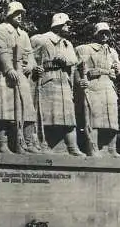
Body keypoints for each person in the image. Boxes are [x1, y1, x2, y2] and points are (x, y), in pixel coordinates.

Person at [0, 1, 43, 153]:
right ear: (9, 14)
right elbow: (1, 50)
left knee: (28, 108)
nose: (20, 17)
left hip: (21, 74)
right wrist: (9, 68)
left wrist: (30, 65)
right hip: (3, 73)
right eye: (17, 13)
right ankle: (2, 143)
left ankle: (28, 142)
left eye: (21, 14)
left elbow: (30, 54)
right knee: (4, 110)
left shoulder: (24, 34)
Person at [31, 13, 85, 156]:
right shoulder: (41, 39)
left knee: (68, 115)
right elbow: (30, 58)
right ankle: (44, 143)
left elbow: (74, 60)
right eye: (66, 24)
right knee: (47, 114)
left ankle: (72, 146)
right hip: (48, 79)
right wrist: (35, 69)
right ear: (58, 24)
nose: (68, 27)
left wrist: (65, 60)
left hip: (64, 81)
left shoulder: (68, 44)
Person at [75, 22, 120, 158]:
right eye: (101, 32)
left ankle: (111, 149)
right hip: (94, 86)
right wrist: (80, 81)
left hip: (109, 85)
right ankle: (93, 148)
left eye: (106, 33)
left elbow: (119, 68)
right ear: (96, 34)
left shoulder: (112, 51)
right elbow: (76, 69)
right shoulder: (86, 49)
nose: (104, 35)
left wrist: (116, 68)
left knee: (112, 118)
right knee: (94, 117)